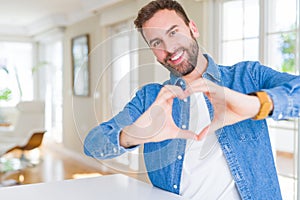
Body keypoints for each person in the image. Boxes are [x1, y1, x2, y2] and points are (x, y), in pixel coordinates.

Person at [84, 0, 300, 199]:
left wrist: (255, 104)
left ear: (193, 29)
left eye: (174, 32)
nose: (169, 48)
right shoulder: (149, 99)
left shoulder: (247, 77)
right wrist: (132, 135)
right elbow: (93, 145)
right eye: (157, 42)